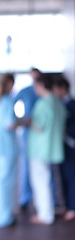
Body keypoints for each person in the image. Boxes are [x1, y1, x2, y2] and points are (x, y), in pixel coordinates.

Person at [28, 74, 66, 225]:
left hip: (40, 148)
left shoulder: (43, 104)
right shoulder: (58, 102)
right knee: (46, 180)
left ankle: (45, 215)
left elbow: (39, 126)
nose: (34, 88)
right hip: (51, 147)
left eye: (36, 85)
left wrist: (29, 121)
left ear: (42, 85)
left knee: (41, 181)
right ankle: (47, 212)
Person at [0, 73, 19, 228]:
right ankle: (5, 218)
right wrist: (24, 121)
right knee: (7, 182)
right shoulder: (8, 101)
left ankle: (1, 215)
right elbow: (10, 124)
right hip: (7, 148)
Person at [14, 68, 39, 210]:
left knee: (43, 168)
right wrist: (21, 120)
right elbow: (12, 105)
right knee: (25, 166)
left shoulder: (44, 91)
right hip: (28, 132)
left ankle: (49, 201)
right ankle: (25, 199)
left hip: (42, 133)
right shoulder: (26, 91)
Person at [53, 77, 75, 222]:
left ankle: (72, 208)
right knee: (62, 176)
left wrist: (66, 129)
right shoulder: (59, 104)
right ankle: (66, 206)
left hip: (71, 146)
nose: (54, 92)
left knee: (72, 177)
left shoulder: (72, 105)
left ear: (63, 88)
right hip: (61, 146)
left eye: (56, 89)